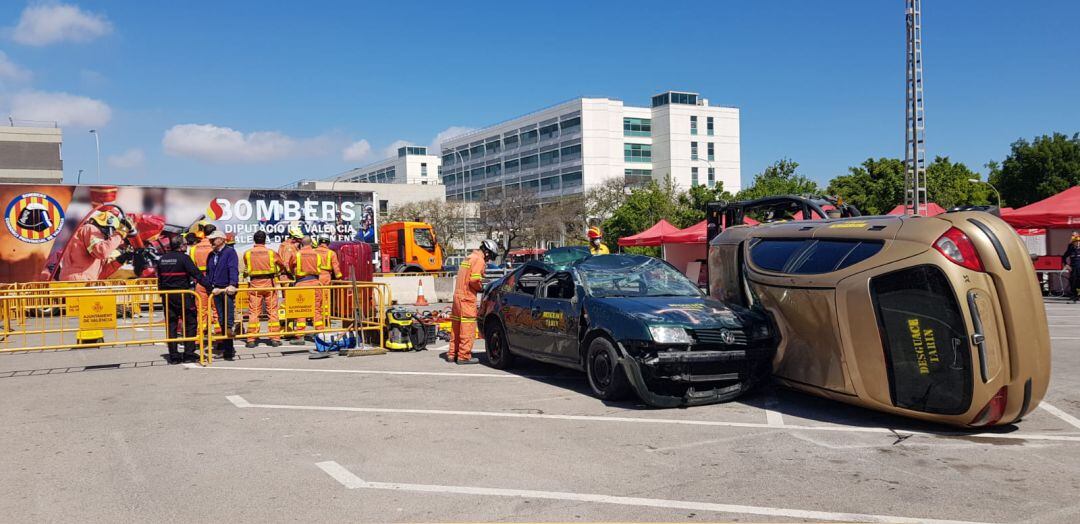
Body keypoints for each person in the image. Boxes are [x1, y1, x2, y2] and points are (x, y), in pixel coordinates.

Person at [156, 234, 210, 363]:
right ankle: (189, 353)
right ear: (181, 246)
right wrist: (211, 287)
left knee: (171, 325)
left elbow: (160, 279)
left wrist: (162, 295)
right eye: (185, 244)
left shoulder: (162, 259)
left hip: (168, 296)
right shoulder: (184, 258)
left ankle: (173, 355)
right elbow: (196, 274)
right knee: (190, 322)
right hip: (183, 296)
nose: (186, 246)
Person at [448, 239, 498, 365]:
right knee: (467, 329)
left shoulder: (469, 257)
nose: (489, 260)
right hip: (467, 299)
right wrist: (482, 288)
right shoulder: (479, 260)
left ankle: (452, 354)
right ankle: (464, 356)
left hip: (457, 297)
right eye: (490, 257)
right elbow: (474, 281)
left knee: (456, 328)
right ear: (487, 252)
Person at [58, 210, 129, 281]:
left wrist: (120, 260)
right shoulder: (90, 228)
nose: (110, 237)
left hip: (81, 281)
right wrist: (120, 233)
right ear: (108, 228)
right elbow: (102, 251)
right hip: (78, 281)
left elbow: (100, 274)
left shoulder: (94, 244)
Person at [243, 230, 283, 348]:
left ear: (254, 240)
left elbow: (247, 267)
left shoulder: (247, 253)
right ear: (265, 240)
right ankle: (275, 338)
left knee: (254, 312)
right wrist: (277, 273)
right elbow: (282, 265)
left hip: (255, 285)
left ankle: (251, 339)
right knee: (272, 311)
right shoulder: (271, 253)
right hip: (269, 285)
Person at [205, 230, 239, 360]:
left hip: (226, 289)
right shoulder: (211, 255)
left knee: (227, 319)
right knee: (221, 319)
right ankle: (227, 348)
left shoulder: (229, 252)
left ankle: (229, 349)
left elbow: (233, 268)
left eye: (213, 239)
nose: (210, 241)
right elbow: (209, 272)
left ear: (221, 240)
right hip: (215, 290)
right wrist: (210, 287)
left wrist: (232, 284)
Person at [286, 235, 324, 343]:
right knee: (317, 309)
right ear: (311, 243)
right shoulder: (317, 254)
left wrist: (296, 275)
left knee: (300, 310)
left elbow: (290, 266)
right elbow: (320, 267)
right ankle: (320, 334)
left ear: (302, 244)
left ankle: (300, 336)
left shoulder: (297, 254)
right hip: (315, 283)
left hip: (301, 283)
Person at [188, 223, 219, 334]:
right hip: (215, 281)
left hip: (200, 281)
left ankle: (200, 337)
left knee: (201, 310)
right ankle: (220, 338)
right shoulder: (216, 248)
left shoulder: (194, 249)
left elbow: (191, 267)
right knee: (217, 310)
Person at [1063, 233, 1080, 302]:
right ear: (1073, 243)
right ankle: (1074, 295)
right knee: (1073, 281)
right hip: (1074, 268)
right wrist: (1066, 265)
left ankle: (1078, 295)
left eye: (1079, 242)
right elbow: (1063, 257)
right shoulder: (1071, 249)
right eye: (1076, 242)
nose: (1078, 243)